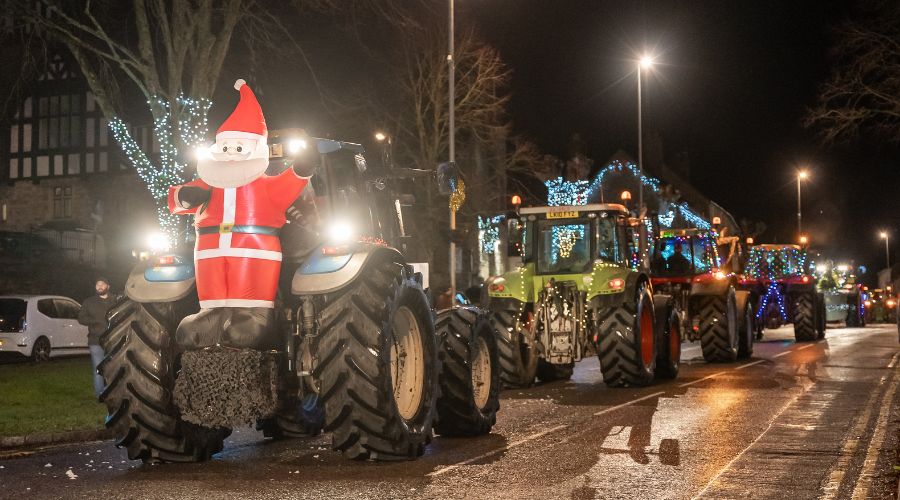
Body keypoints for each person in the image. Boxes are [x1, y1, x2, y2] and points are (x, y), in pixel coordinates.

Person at [78, 277, 116, 398]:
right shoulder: (89, 302)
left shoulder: (115, 301)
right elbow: (81, 318)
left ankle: (114, 391)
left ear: (108, 286)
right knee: (98, 368)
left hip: (113, 340)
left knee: (113, 368)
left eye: (102, 284)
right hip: (95, 340)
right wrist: (94, 321)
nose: (99, 286)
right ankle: (100, 394)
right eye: (97, 284)